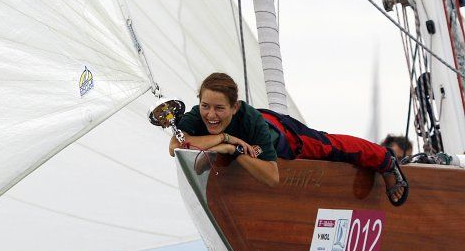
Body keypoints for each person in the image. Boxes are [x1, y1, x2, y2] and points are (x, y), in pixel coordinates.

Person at [168, 72, 408, 206]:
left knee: (330, 146)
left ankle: (386, 161)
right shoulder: (197, 115)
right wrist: (225, 138)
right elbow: (176, 147)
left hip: (284, 136)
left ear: (234, 107)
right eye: (205, 106)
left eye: (219, 108)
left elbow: (272, 177)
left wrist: (234, 151)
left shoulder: (255, 125)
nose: (210, 114)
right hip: (237, 137)